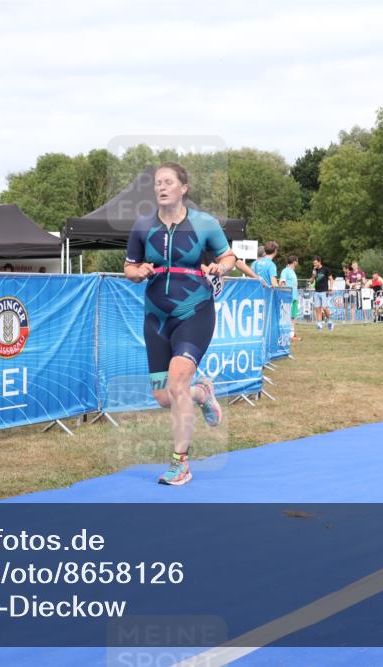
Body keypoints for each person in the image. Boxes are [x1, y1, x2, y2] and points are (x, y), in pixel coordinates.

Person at [124, 162, 235, 486]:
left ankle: (180, 463)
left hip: (194, 312)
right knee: (163, 396)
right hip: (156, 317)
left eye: (168, 181)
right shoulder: (143, 226)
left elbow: (228, 257)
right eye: (158, 182)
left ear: (183, 188)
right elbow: (129, 268)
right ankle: (203, 394)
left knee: (176, 384)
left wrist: (221, 267)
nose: (161, 186)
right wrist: (139, 271)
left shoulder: (205, 224)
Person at [309, 255, 334, 331]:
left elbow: (331, 279)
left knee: (324, 307)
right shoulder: (314, 270)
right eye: (314, 263)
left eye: (316, 263)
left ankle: (330, 321)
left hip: (324, 291)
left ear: (319, 262)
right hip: (316, 291)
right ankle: (319, 324)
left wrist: (330, 288)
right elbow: (311, 281)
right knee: (317, 308)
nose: (315, 264)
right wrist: (313, 275)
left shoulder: (326, 269)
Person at [279, 255, 300, 340]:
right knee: (286, 316)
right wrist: (285, 295)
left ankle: (292, 334)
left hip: (294, 297)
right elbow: (282, 283)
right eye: (297, 261)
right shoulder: (285, 270)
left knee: (293, 316)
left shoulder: (292, 271)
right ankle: (284, 334)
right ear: (294, 262)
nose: (298, 263)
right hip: (288, 298)